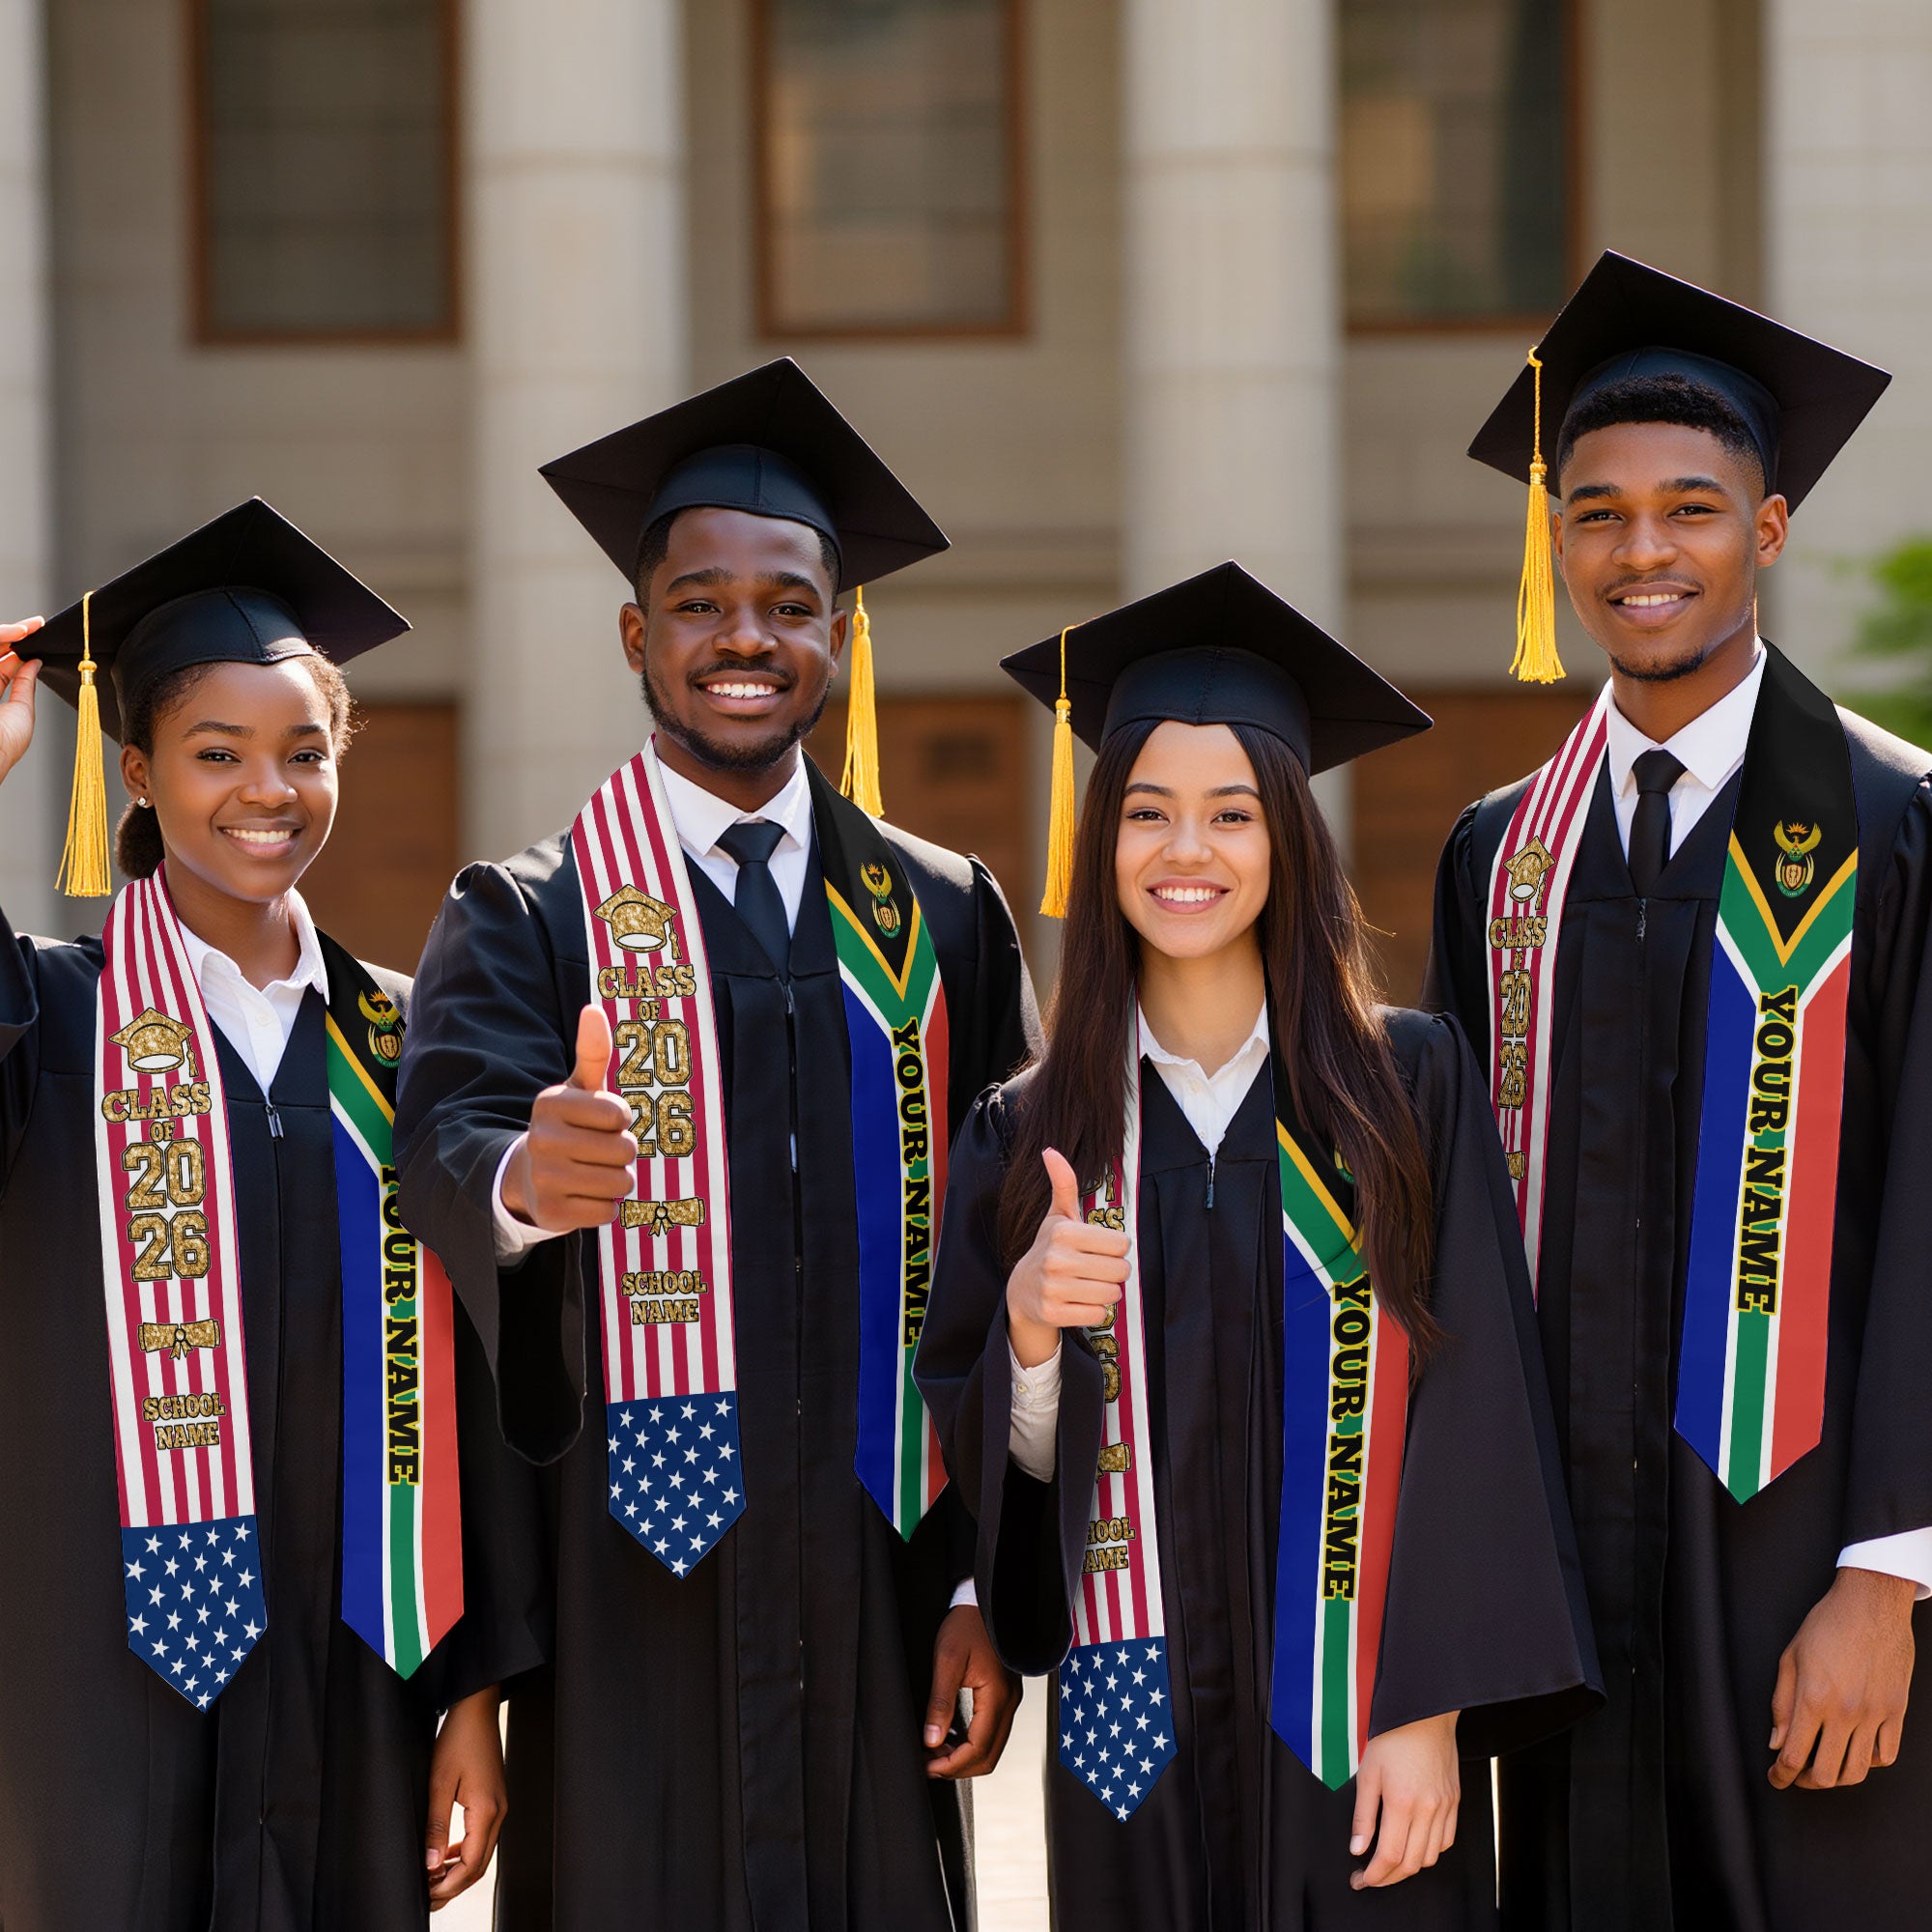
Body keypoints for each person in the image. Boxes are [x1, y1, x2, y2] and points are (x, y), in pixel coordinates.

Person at [393, 358, 1039, 1929]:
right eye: (698, 603)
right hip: (631, 1600)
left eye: (788, 603)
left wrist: (981, 1589)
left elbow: (1013, 1256)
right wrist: (524, 1184)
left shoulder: (942, 916)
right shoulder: (530, 915)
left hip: (884, 1587)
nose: (744, 638)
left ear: (840, 634)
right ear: (638, 634)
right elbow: (443, 1149)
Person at [916, 561, 1598, 1930]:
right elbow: (997, 1477)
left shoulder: (1407, 1091)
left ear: (1288, 839)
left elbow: (1480, 1411)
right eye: (1149, 814)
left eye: (1231, 815)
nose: (1188, 853)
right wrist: (1034, 1339)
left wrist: (1428, 1707)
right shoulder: (1033, 1130)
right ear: (1100, 841)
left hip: (1361, 1736)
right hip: (1131, 1742)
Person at [1426, 251, 1932, 1931]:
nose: (1643, 551)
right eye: (1598, 511)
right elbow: (1448, 1226)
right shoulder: (1502, 855)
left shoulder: (1894, 824)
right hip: (1564, 1564)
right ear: (1554, 539)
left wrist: (1891, 1570)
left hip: (1805, 1558)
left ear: (1768, 531)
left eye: (1692, 508)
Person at [0, 498, 546, 1931]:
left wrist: (475, 1698)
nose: (268, 790)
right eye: (216, 754)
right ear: (134, 771)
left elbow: (481, 1386)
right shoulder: (54, 1018)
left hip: (353, 1667)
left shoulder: (410, 1046)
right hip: (91, 1679)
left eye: (305, 753)